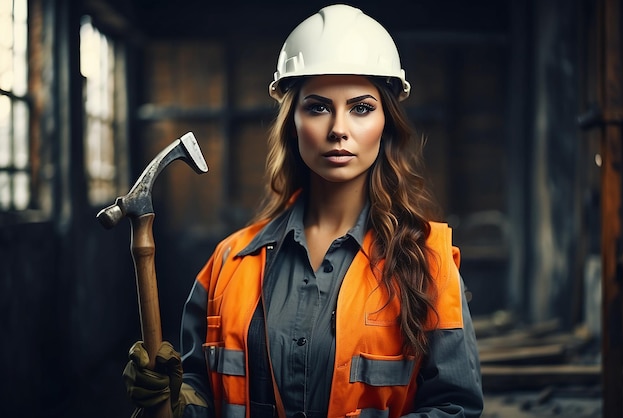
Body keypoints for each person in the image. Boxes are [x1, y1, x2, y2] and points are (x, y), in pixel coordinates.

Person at [123, 4, 484, 418]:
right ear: (292, 122)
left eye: (361, 107)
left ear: (387, 122)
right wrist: (172, 400)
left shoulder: (430, 262)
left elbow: (455, 407)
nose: (338, 129)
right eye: (317, 107)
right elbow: (198, 387)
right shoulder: (228, 263)